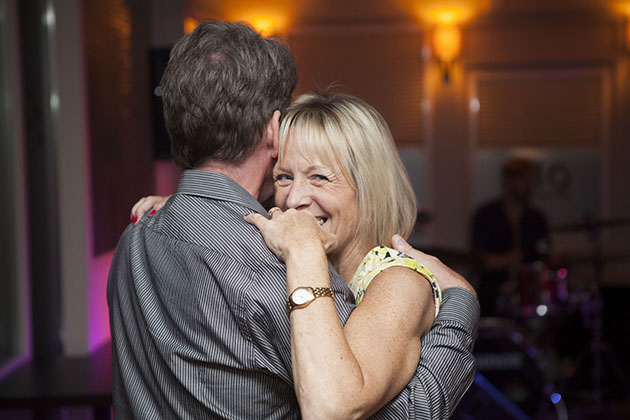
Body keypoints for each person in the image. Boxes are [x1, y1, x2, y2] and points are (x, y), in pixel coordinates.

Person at [112, 20, 478, 420]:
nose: (295, 197)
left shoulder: (136, 239)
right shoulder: (276, 265)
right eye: (283, 176)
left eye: (320, 176)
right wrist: (461, 302)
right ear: (272, 132)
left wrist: (189, 206)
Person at [471, 157, 550, 317]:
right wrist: (507, 260)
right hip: (492, 296)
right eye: (525, 179)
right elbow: (477, 259)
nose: (530, 186)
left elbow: (544, 256)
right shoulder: (486, 215)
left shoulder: (536, 218)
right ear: (508, 180)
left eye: (532, 180)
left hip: (529, 297)